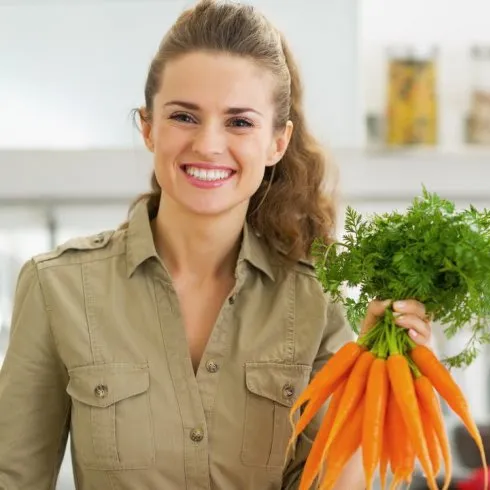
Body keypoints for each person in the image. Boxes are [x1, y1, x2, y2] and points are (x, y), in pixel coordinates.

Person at [0, 1, 433, 489]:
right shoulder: (58, 287)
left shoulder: (315, 300)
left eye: (239, 122)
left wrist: (377, 382)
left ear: (277, 142)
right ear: (148, 127)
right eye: (184, 116)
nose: (208, 144)